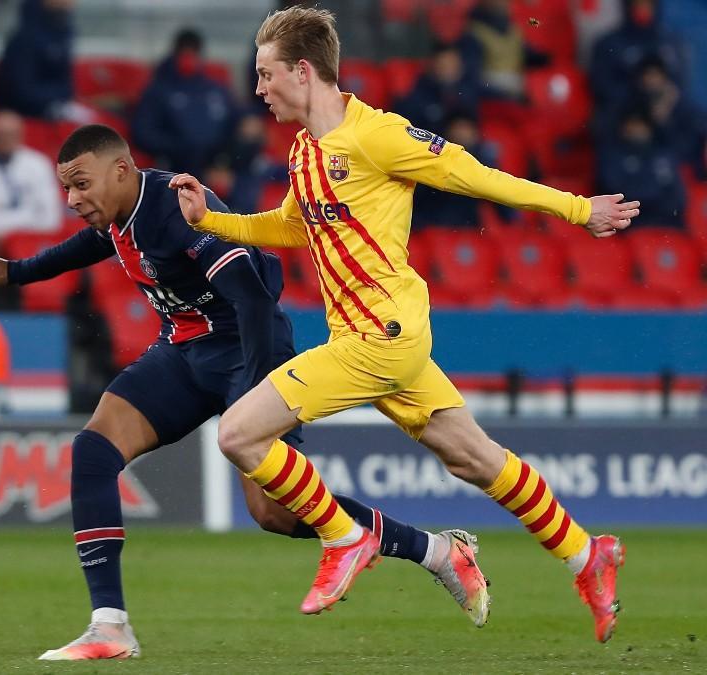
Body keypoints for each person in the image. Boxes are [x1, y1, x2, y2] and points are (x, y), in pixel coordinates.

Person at [169, 6, 638, 643]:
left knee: (239, 434)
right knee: (475, 459)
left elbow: (474, 175)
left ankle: (345, 538)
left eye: (265, 74)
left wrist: (579, 208)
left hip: (381, 336)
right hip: (374, 342)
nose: (258, 89)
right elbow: (291, 227)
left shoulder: (378, 134)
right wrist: (210, 221)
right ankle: (588, 555)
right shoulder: (306, 150)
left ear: (302, 72)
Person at [0, 124, 490, 661]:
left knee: (276, 514)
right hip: (184, 352)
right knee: (93, 451)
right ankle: (110, 626)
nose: (73, 200)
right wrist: (17, 271)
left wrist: (263, 391)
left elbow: (255, 298)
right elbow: (91, 245)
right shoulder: (120, 214)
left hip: (248, 353)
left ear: (121, 170)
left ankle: (437, 551)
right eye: (67, 190)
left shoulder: (175, 208)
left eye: (81, 185)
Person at [131, 28, 240, 178]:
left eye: (193, 52)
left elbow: (234, 120)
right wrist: (181, 147)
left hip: (220, 160)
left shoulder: (215, 89)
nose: (189, 58)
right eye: (184, 52)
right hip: (177, 163)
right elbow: (144, 133)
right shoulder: (158, 90)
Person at [0, 110, 64, 255]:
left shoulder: (38, 163)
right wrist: (31, 216)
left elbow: (52, 219)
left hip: (32, 239)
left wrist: (18, 226)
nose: (6, 140)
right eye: (0, 135)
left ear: (21, 135)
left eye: (11, 134)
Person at [0, 0, 94, 122]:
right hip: (25, 111)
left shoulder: (64, 32)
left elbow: (67, 83)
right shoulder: (24, 38)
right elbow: (21, 91)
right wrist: (58, 98)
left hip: (58, 104)